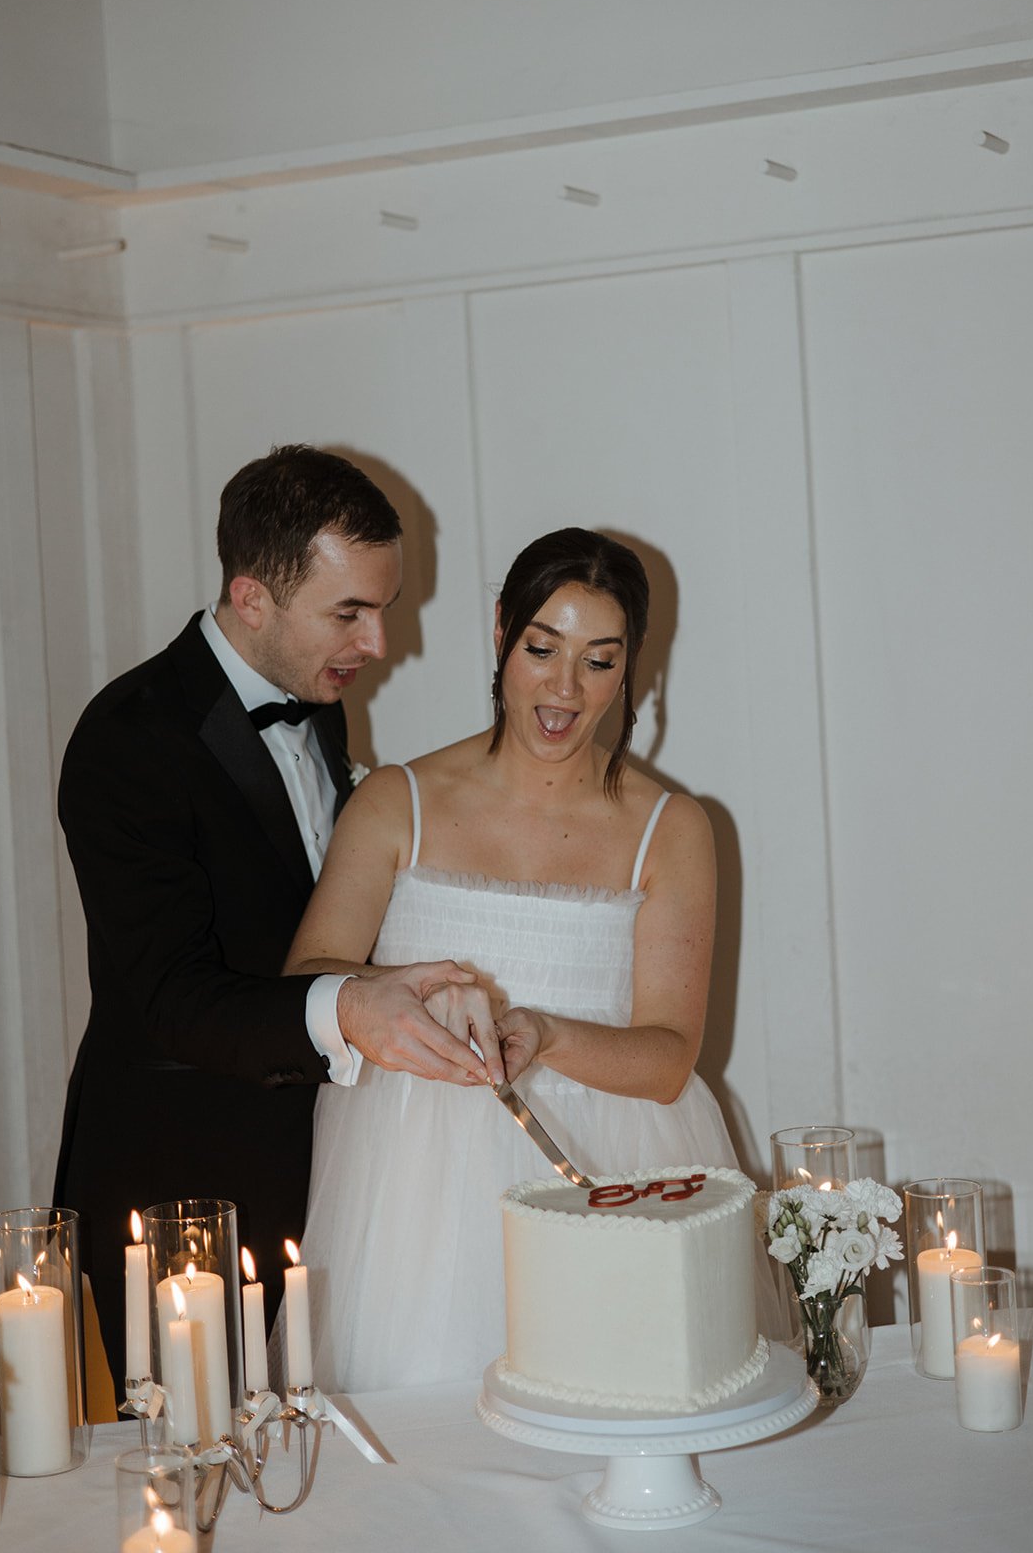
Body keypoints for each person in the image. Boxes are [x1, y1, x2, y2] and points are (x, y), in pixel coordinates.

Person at [283, 526, 772, 1393]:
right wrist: (409, 995)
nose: (563, 688)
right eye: (542, 648)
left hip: (613, 1170)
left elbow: (667, 1062)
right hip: (410, 1183)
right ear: (502, 630)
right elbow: (305, 977)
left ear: (631, 671)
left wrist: (540, 1033)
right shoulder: (397, 802)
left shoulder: (673, 829)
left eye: (598, 660)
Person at [52, 444, 492, 1403]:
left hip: (317, 1167)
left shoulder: (320, 709)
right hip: (180, 1189)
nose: (379, 644)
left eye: (383, 607)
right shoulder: (126, 740)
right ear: (252, 599)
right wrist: (352, 1011)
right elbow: (169, 992)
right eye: (351, 613)